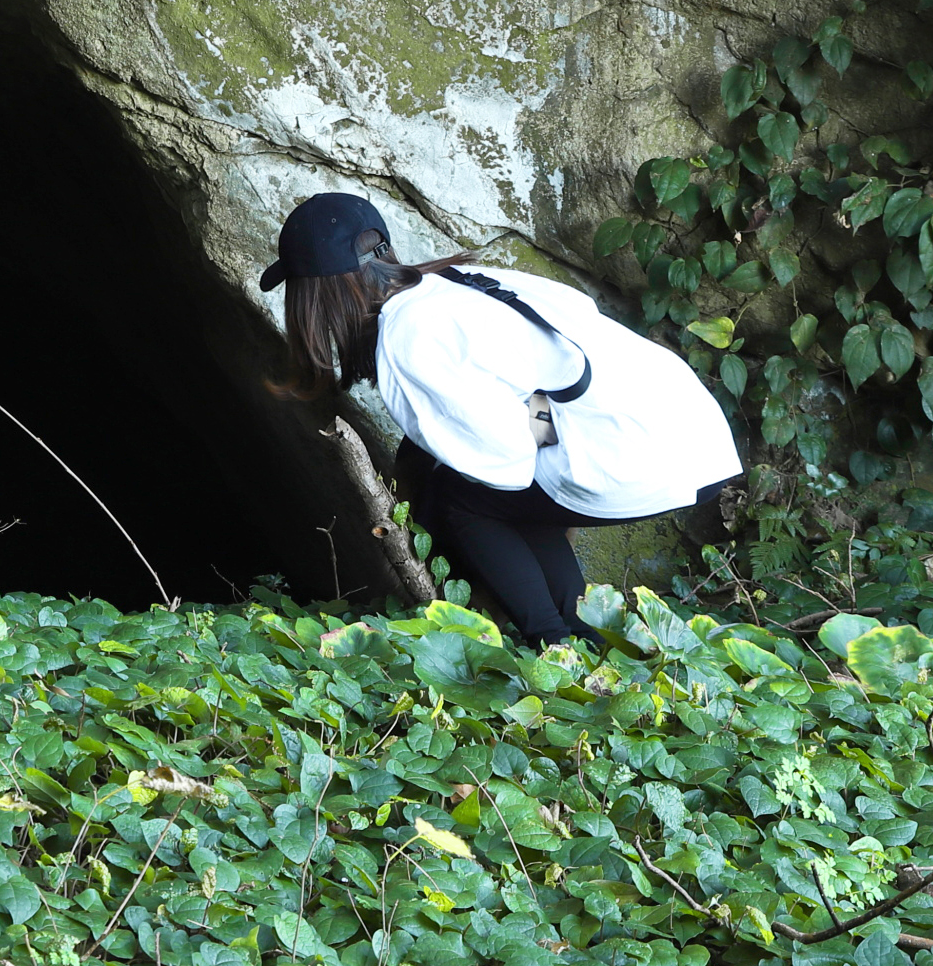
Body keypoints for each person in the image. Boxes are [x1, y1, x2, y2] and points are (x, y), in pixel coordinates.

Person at [261, 192, 741, 647]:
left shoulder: (409, 336)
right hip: (688, 426)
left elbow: (508, 464)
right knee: (515, 491)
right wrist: (545, 437)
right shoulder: (450, 282)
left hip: (639, 451)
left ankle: (552, 642)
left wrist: (535, 444)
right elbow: (547, 369)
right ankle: (581, 632)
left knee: (462, 498)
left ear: (315, 297)